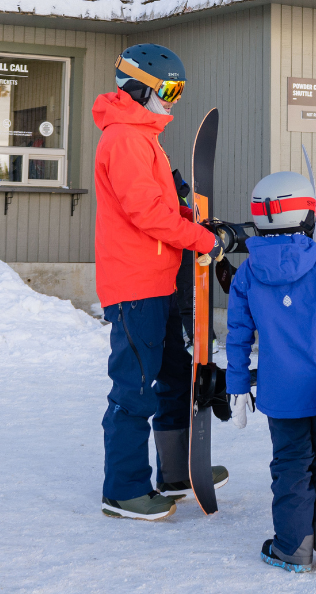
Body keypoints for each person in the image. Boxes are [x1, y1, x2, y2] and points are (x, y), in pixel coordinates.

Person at [94, 43, 226, 521]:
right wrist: (200, 241)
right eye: (168, 89)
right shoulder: (125, 140)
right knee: (136, 386)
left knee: (174, 377)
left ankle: (175, 472)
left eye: (179, 90)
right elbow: (144, 212)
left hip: (161, 280)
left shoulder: (144, 137)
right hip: (135, 286)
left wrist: (194, 220)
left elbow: (162, 206)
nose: (174, 98)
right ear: (138, 88)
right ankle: (124, 490)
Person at [226, 171, 316, 572]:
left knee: (291, 467)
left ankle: (292, 547)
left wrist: (236, 386)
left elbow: (237, 336)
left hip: (280, 393)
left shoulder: (247, 274)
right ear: (308, 215)